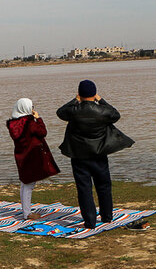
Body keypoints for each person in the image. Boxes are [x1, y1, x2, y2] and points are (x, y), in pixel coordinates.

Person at [56, 80, 134, 229]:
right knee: (104, 186)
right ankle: (107, 217)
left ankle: (90, 222)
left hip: (79, 156)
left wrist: (75, 100)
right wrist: (101, 99)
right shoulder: (103, 112)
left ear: (80, 94)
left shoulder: (74, 111)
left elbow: (60, 112)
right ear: (94, 93)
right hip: (99, 155)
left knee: (84, 189)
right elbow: (115, 114)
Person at [7, 98, 60, 220]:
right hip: (32, 155)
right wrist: (38, 118)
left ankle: (26, 211)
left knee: (25, 183)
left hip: (21, 155)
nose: (33, 109)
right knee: (29, 185)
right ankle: (27, 214)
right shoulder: (30, 122)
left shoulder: (13, 123)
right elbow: (42, 132)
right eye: (31, 107)